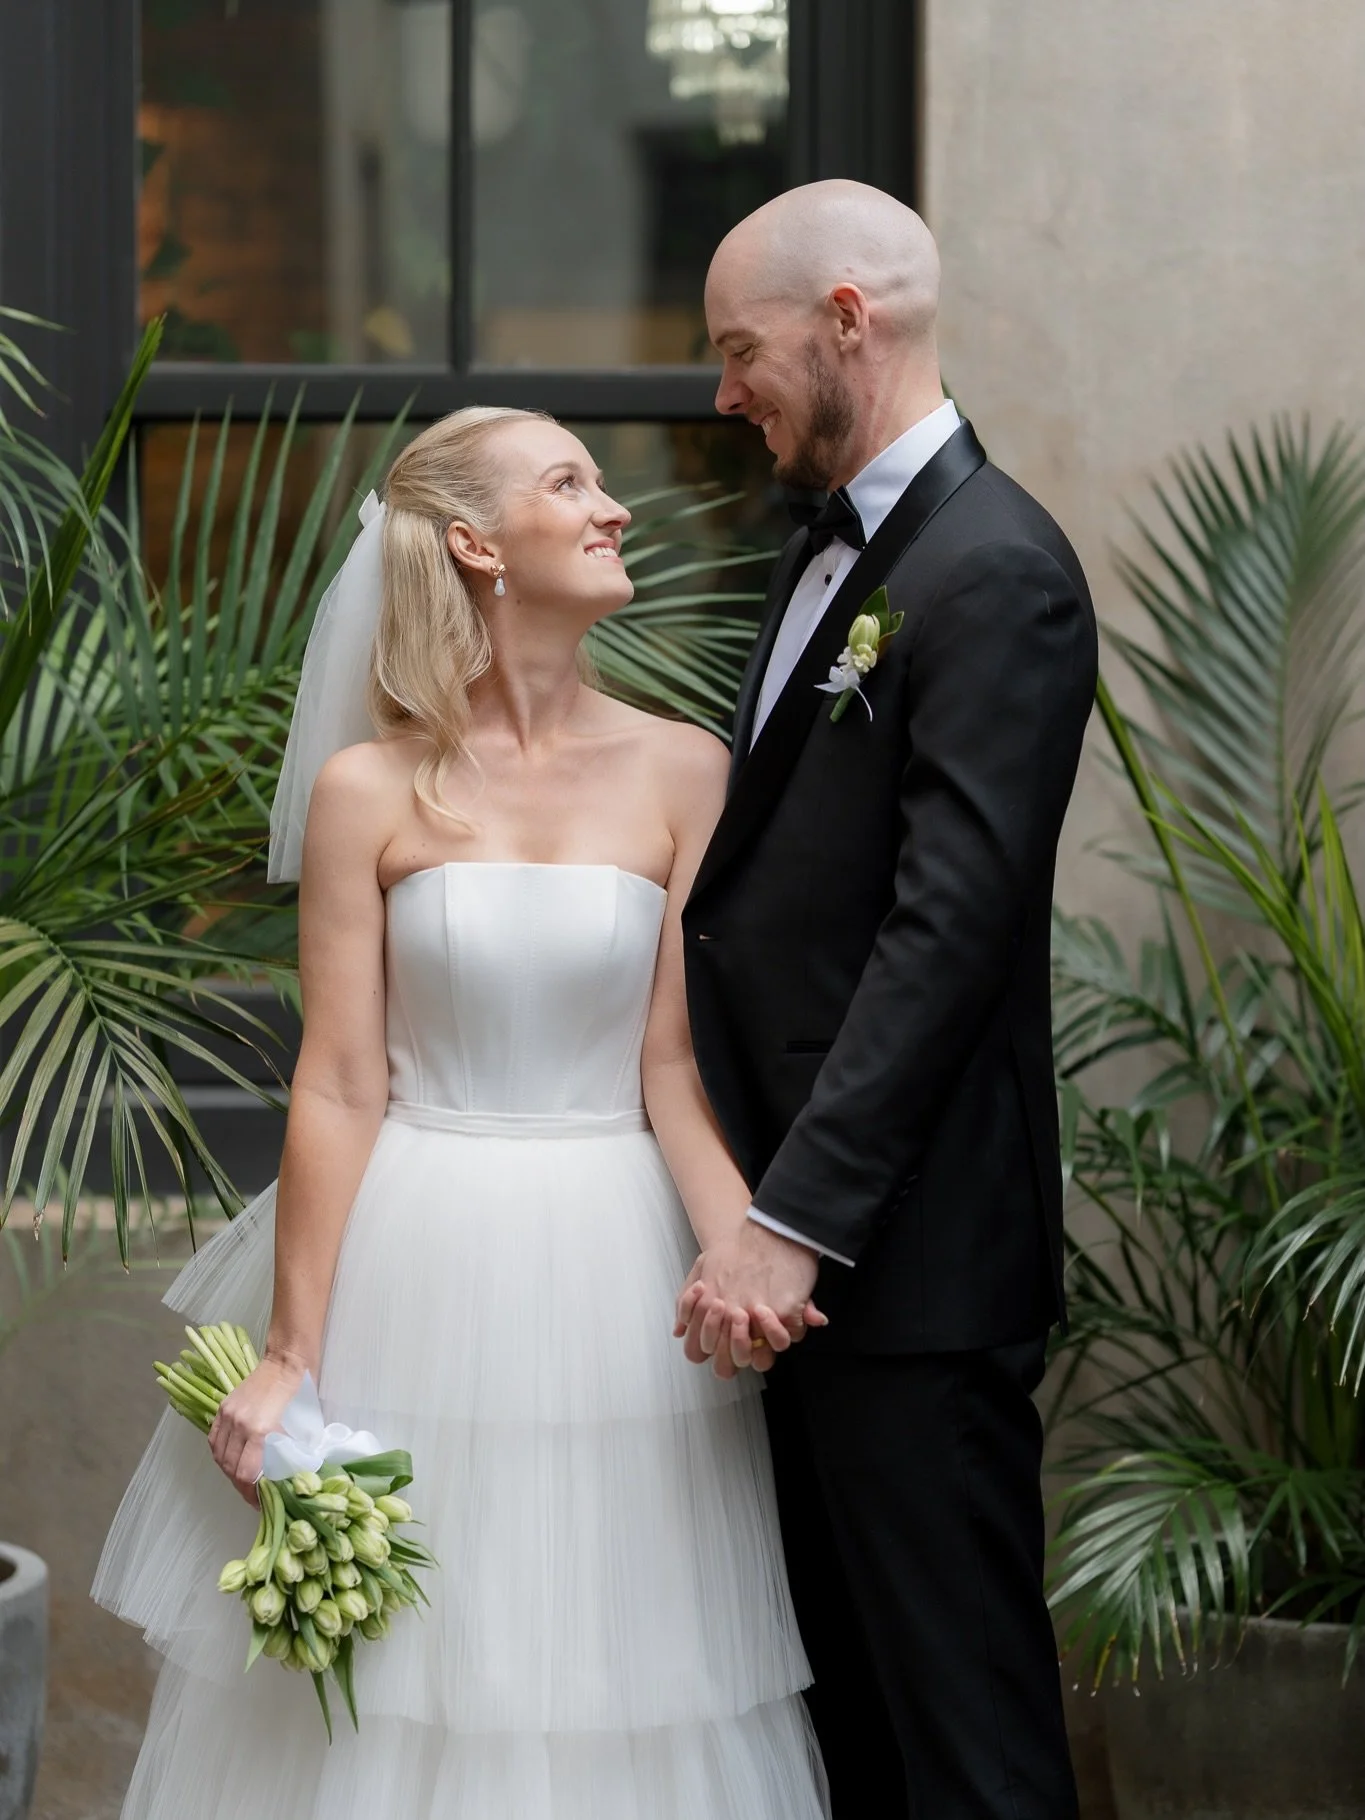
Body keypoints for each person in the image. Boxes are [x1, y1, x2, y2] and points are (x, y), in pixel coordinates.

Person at [92, 406, 831, 1819]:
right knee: (407, 1681)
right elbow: (339, 1078)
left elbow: (672, 1069)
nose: (616, 507)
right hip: (415, 1260)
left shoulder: (687, 770)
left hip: (616, 1270)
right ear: (479, 546)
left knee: (621, 1665)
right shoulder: (367, 791)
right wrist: (292, 1354)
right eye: (573, 482)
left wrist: (746, 1249)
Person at [677, 181, 1098, 1819]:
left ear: (846, 317)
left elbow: (950, 935)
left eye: (740, 350)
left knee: (966, 1747)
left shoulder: (1001, 571)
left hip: (898, 1272)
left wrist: (798, 1220)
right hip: (794, 1268)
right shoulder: (824, 549)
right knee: (853, 1738)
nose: (723, 395)